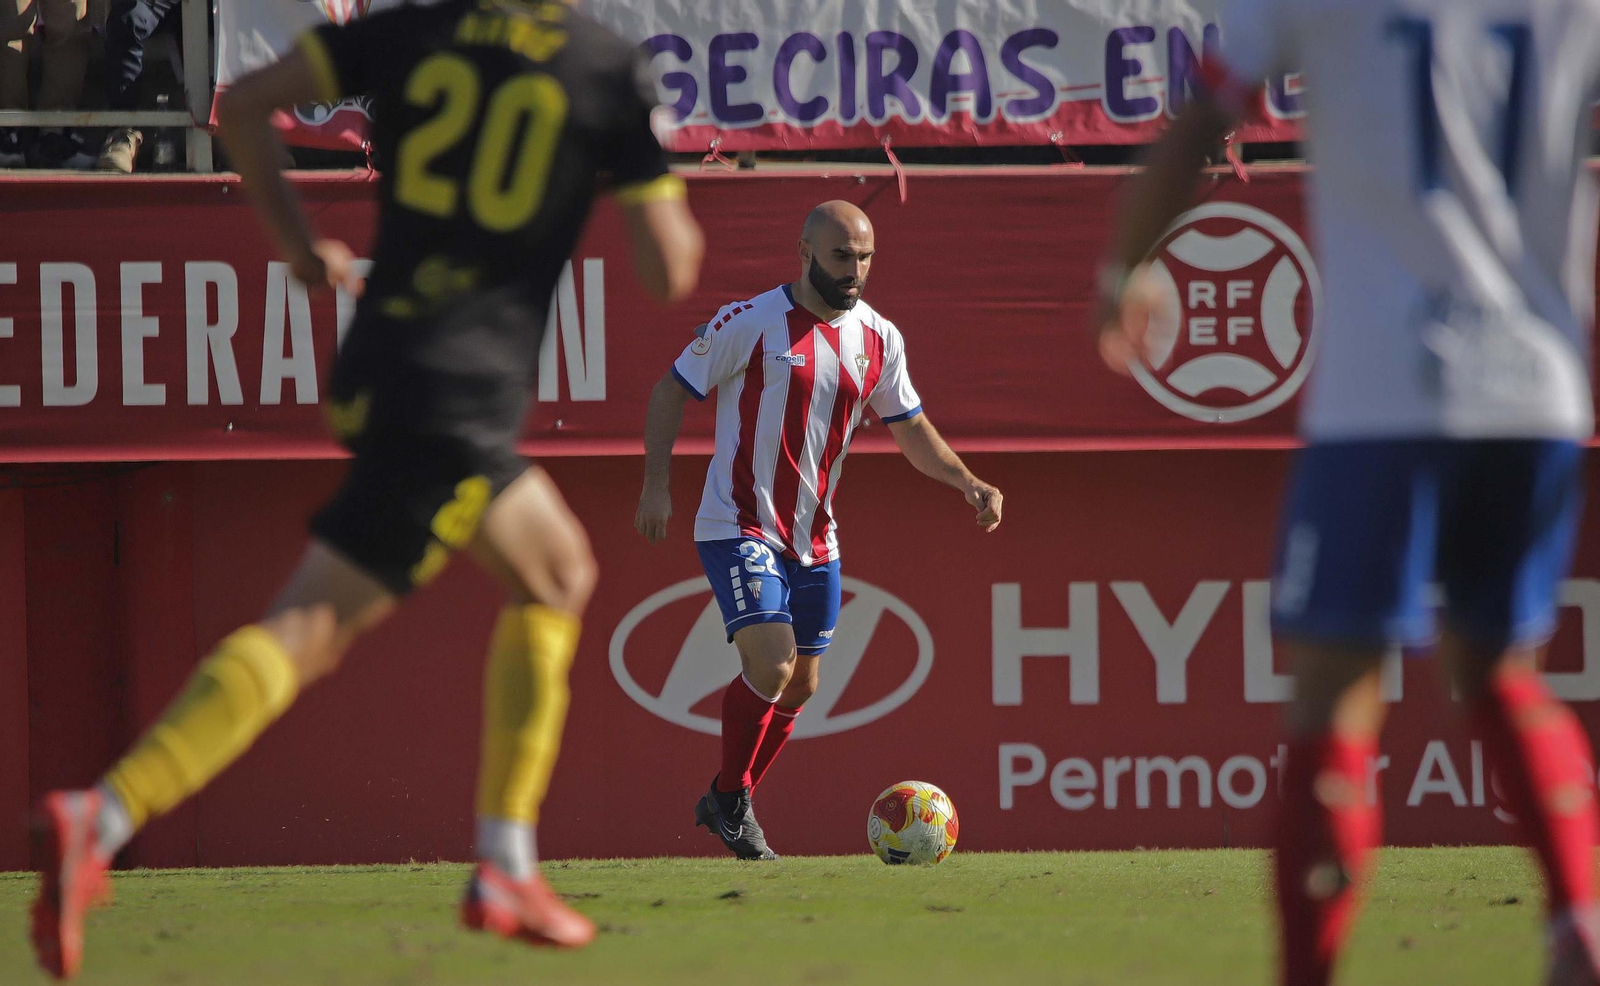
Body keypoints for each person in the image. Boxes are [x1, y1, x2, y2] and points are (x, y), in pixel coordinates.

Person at [28, 0, 704, 978]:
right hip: (460, 387)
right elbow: (671, 270)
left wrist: (301, 249)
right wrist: (645, 159)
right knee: (313, 627)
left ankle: (506, 860)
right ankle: (106, 812)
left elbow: (242, 107)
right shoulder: (600, 64)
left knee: (555, 567)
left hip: (385, 354)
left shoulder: (407, 30)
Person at [1095, 2, 1600, 984]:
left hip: (1385, 384)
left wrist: (1124, 268)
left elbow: (1201, 122)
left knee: (1332, 693)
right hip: (1539, 381)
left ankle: (1308, 968)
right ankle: (1578, 910)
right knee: (1498, 664)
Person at [634, 200, 1004, 860]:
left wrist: (967, 482)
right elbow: (671, 389)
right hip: (738, 523)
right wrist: (656, 483)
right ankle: (735, 803)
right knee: (773, 664)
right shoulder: (750, 322)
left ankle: (727, 798)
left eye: (865, 257)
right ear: (805, 252)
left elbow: (911, 428)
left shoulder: (878, 338)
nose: (855, 269)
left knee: (803, 683)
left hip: (815, 536)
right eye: (841, 256)